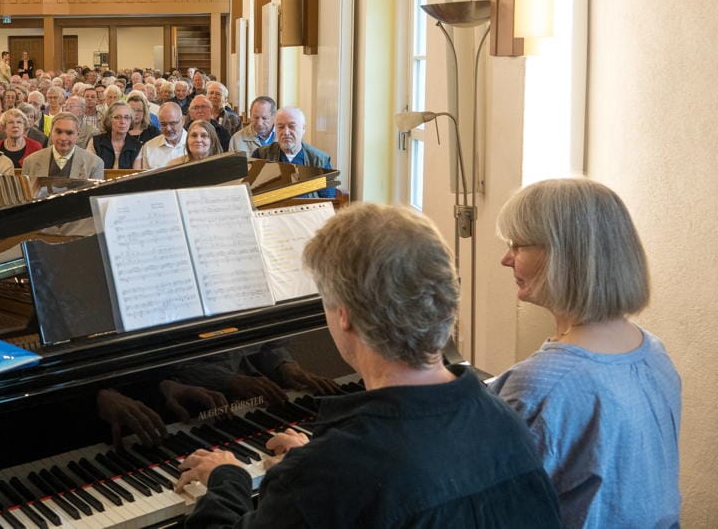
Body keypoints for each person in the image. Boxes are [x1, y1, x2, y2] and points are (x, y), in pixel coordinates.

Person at [178, 203, 562, 528]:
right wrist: (319, 461)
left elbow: (361, 478)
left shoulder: (329, 473)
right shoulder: (504, 422)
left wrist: (228, 479)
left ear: (344, 314)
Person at [490, 178, 681, 527]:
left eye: (518, 246)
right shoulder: (654, 354)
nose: (506, 259)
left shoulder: (539, 385)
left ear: (564, 254)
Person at [252, 106, 335, 198]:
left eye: (292, 126)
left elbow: (328, 199)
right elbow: (252, 193)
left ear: (303, 128)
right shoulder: (261, 155)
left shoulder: (319, 160)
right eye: (281, 127)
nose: (286, 132)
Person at [22, 112, 105, 179]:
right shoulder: (30, 162)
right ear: (51, 133)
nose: (63, 138)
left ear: (78, 135)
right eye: (58, 132)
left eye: (69, 133)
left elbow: (93, 198)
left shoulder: (94, 164)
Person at [134, 102, 187, 169]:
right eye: (163, 124)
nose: (168, 128)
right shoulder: (149, 147)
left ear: (182, 121)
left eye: (172, 123)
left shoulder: (197, 145)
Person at [88, 101, 140, 170]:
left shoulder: (136, 146)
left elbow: (136, 176)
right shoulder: (95, 142)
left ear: (131, 121)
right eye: (117, 117)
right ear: (109, 120)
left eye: (126, 117)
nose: (122, 122)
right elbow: (89, 171)